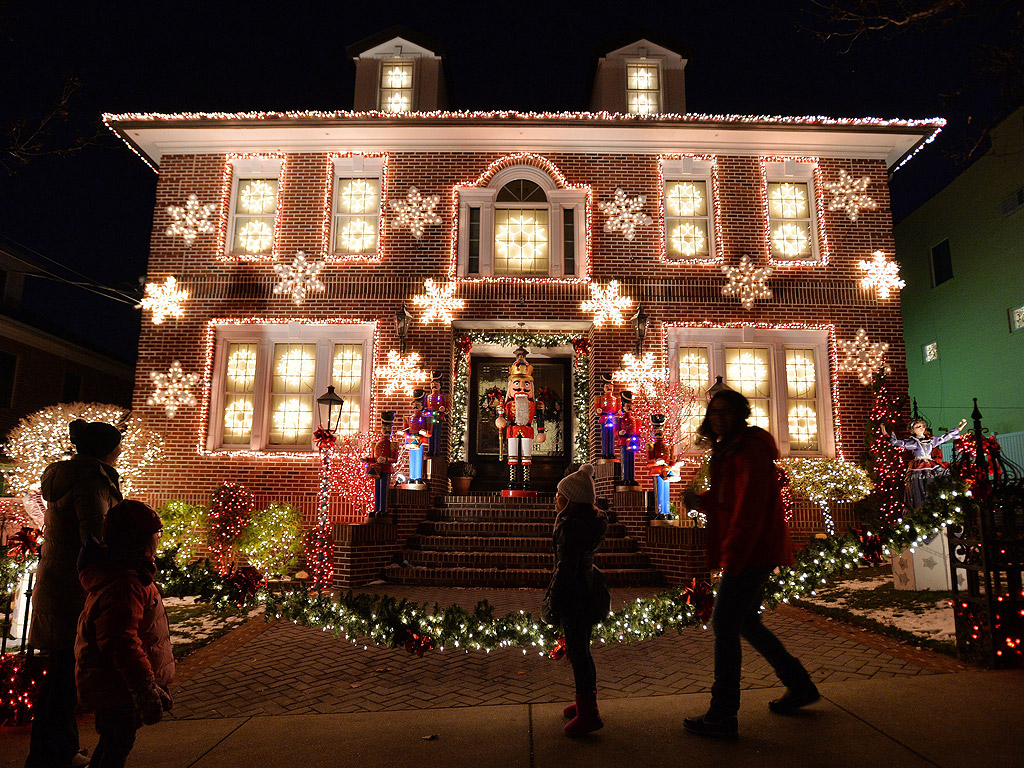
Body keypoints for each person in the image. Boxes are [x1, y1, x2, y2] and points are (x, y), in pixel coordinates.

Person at [683, 389, 818, 739]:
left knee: (724, 623)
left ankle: (723, 713)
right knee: (745, 623)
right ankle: (799, 685)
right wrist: (701, 501)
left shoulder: (750, 448)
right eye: (714, 411)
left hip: (752, 549)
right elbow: (730, 496)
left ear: (742, 414)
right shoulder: (730, 447)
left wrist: (734, 551)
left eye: (726, 411)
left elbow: (751, 503)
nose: (719, 417)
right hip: (749, 547)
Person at [27, 419, 123, 768]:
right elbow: (96, 538)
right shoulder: (90, 481)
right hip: (74, 592)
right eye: (118, 444)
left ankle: (55, 751)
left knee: (61, 675)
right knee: (66, 678)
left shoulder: (69, 477)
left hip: (58, 588)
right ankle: (51, 755)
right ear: (107, 449)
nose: (121, 449)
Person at [76, 499, 174, 768]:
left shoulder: (131, 575)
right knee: (115, 745)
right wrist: (143, 686)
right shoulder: (126, 584)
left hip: (119, 685)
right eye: (155, 535)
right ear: (137, 540)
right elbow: (121, 642)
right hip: (116, 686)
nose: (158, 541)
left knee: (116, 742)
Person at [541, 463, 610, 737]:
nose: (555, 499)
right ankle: (585, 703)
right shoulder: (587, 522)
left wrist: (553, 601)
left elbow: (565, 567)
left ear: (570, 500)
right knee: (581, 650)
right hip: (587, 588)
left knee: (579, 654)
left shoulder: (570, 527)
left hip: (575, 594)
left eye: (559, 495)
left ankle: (589, 714)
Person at [886, 417, 968, 508]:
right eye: (918, 427)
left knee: (941, 477)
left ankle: (942, 502)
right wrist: (887, 434)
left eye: (922, 426)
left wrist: (958, 429)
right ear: (912, 430)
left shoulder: (931, 440)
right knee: (921, 485)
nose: (921, 428)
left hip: (930, 464)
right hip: (919, 466)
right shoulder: (914, 442)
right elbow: (900, 443)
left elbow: (944, 437)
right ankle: (922, 506)